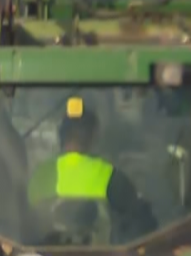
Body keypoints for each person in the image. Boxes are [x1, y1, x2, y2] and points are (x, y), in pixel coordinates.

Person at [27, 102, 155, 241]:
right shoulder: (111, 177)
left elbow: (26, 223)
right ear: (93, 137)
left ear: (61, 136)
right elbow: (142, 228)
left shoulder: (39, 176)